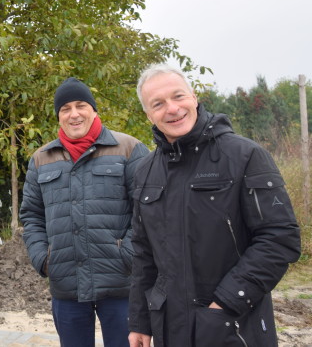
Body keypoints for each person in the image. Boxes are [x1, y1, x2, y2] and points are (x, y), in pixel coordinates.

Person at [128, 64, 302, 347]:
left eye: (178, 96)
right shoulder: (146, 171)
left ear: (194, 97)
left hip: (235, 325)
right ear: (148, 114)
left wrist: (225, 303)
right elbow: (144, 253)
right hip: (169, 328)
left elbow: (280, 239)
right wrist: (139, 322)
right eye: (158, 104)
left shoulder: (245, 156)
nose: (172, 108)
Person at [19, 77, 149, 347]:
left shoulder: (129, 149)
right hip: (67, 284)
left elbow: (146, 211)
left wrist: (127, 255)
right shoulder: (41, 159)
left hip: (122, 283)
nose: (74, 114)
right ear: (58, 116)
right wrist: (44, 258)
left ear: (94, 110)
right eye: (65, 108)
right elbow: (32, 216)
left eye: (81, 106)